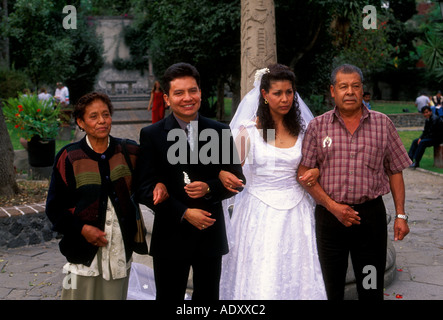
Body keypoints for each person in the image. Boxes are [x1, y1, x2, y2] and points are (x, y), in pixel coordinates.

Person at [298, 64, 411, 300]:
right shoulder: (318, 127)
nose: (350, 92)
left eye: (355, 86)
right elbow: (305, 174)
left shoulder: (383, 124)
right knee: (332, 287)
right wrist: (333, 207)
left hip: (370, 219)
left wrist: (400, 215)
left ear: (362, 90)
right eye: (343, 86)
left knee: (370, 285)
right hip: (330, 218)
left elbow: (396, 170)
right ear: (332, 91)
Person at [135, 62, 245, 300]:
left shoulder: (219, 131)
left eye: (192, 90)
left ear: (200, 93)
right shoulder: (151, 135)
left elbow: (238, 180)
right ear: (166, 98)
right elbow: (143, 188)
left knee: (207, 300)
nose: (187, 98)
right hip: (170, 237)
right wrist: (184, 212)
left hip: (209, 234)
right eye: (179, 92)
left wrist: (209, 187)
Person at [218, 64, 327, 300]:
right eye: (278, 93)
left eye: (289, 92)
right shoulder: (251, 130)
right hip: (258, 212)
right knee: (262, 273)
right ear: (265, 95)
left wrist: (316, 171)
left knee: (297, 271)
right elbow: (227, 169)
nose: (285, 99)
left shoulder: (302, 131)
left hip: (296, 211)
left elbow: (315, 166)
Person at [45, 91, 167, 300]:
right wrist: (82, 229)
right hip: (81, 253)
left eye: (106, 114)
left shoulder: (128, 151)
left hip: (120, 249)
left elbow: (151, 176)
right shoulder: (69, 157)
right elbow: (54, 208)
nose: (102, 121)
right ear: (81, 123)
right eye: (93, 116)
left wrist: (160, 183)